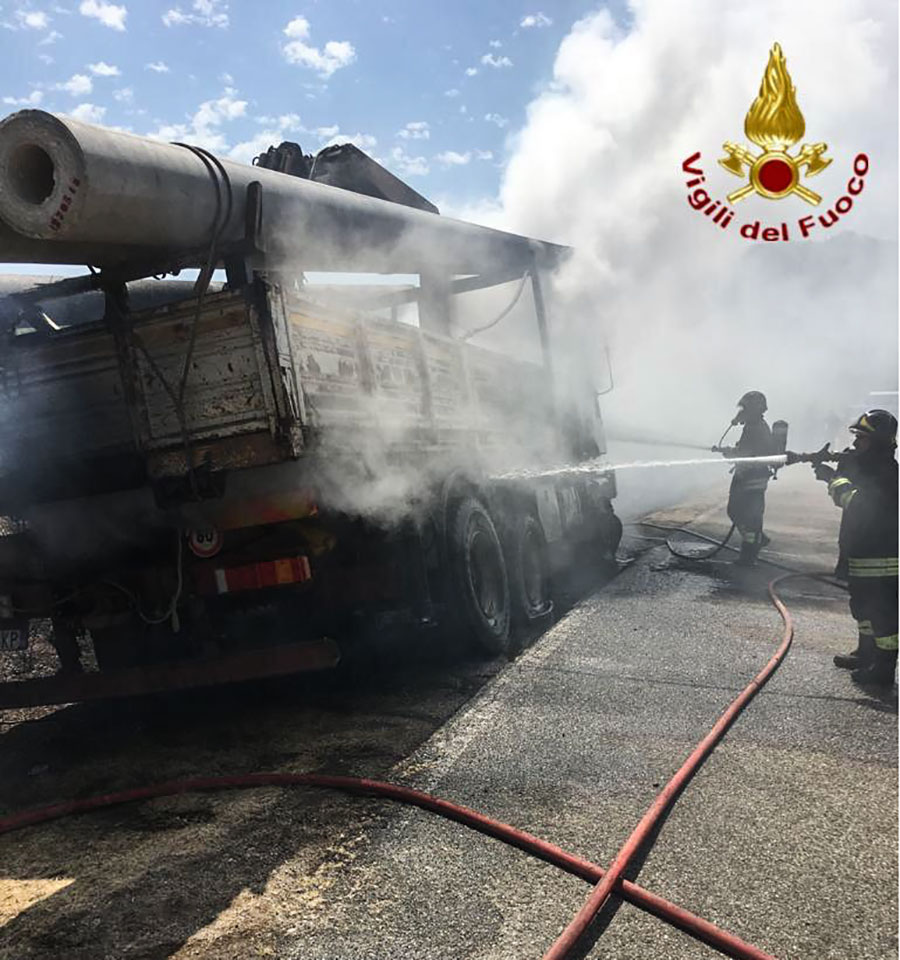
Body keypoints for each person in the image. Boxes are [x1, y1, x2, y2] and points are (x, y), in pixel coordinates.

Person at [814, 409, 898, 689]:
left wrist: (832, 479)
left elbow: (858, 503)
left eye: (861, 439)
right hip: (863, 555)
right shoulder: (870, 466)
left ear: (877, 441)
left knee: (883, 615)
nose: (855, 445)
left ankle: (883, 670)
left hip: (881, 559)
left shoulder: (886, 472)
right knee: (862, 606)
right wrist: (843, 470)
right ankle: (866, 654)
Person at [714, 391, 775, 565]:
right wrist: (731, 451)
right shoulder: (754, 426)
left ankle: (749, 555)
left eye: (744, 408)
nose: (740, 412)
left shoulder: (755, 428)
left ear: (754, 409)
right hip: (749, 476)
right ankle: (755, 544)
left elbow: (748, 453)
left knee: (745, 515)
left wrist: (730, 452)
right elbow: (747, 450)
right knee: (745, 515)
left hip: (750, 478)